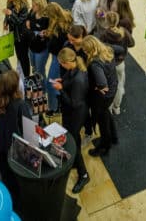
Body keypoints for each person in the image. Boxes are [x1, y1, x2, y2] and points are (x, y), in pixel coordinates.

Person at [0, 69, 33, 207]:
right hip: (17, 150)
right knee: (18, 178)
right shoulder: (20, 105)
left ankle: (10, 201)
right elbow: (29, 131)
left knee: (6, 176)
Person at [51, 48, 90, 193]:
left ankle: (84, 174)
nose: (60, 66)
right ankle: (74, 157)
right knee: (74, 140)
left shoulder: (80, 79)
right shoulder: (75, 68)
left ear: (67, 62)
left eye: (61, 63)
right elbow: (69, 79)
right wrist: (63, 82)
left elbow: (74, 102)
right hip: (71, 112)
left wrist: (61, 89)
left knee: (72, 141)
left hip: (76, 114)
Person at [80, 36, 119, 158]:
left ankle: (104, 146)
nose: (85, 53)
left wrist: (98, 87)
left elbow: (102, 84)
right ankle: (114, 136)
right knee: (106, 114)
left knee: (102, 121)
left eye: (86, 51)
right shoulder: (107, 49)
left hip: (103, 96)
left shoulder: (95, 64)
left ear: (91, 50)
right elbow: (121, 49)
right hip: (113, 89)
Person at [98, 11, 133, 115]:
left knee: (108, 86)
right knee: (119, 86)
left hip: (108, 64)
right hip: (120, 63)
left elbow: (100, 47)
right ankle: (117, 108)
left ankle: (108, 108)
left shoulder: (104, 34)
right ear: (117, 21)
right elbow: (132, 43)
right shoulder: (124, 32)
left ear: (107, 22)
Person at [3, 0, 31, 74]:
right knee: (19, 55)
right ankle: (20, 72)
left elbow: (19, 21)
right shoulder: (10, 3)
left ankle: (26, 76)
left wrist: (11, 14)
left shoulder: (24, 7)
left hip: (22, 36)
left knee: (24, 57)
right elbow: (7, 15)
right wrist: (5, 22)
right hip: (14, 34)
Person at [25, 0, 50, 79]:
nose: (32, 7)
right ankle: (36, 85)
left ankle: (42, 90)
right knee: (34, 67)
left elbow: (46, 34)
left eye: (34, 5)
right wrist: (28, 21)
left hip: (41, 49)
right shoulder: (32, 12)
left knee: (40, 71)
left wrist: (33, 30)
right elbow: (28, 20)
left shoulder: (46, 18)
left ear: (40, 6)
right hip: (31, 46)